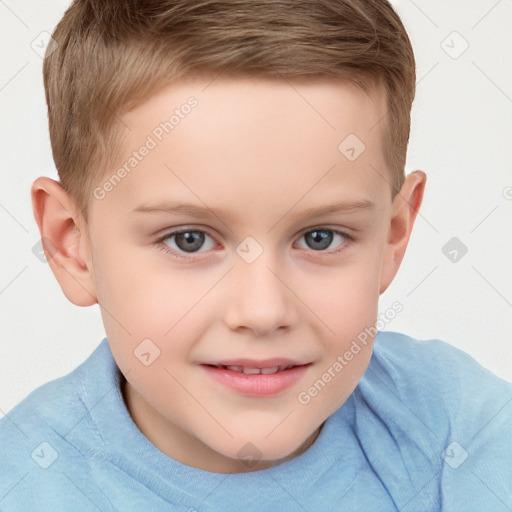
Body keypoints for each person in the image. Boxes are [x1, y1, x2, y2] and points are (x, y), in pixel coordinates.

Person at [1, 1, 511, 510]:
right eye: (189, 240)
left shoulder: (460, 429)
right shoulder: (22, 482)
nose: (263, 311)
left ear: (392, 236)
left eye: (320, 237)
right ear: (73, 246)